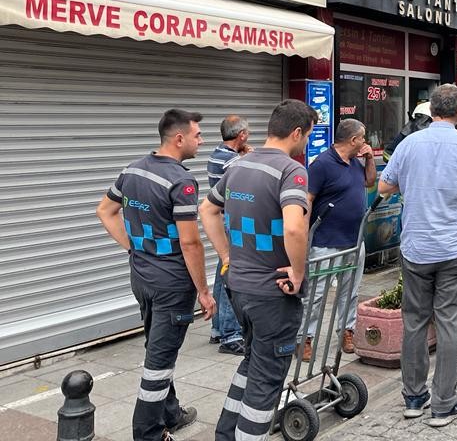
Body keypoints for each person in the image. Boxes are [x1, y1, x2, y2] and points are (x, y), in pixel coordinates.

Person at [199, 99, 318, 441]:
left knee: (252, 363)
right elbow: (294, 227)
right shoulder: (291, 171)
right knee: (267, 379)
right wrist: (298, 274)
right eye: (308, 135)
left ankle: (226, 435)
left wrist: (226, 256)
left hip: (239, 288)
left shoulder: (239, 165)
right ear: (296, 132)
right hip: (272, 293)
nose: (306, 142)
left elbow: (207, 209)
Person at [377, 84, 457, 427]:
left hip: (417, 247)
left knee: (414, 321)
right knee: (448, 322)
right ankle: (444, 404)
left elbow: (384, 186)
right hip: (454, 247)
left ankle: (414, 398)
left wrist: (412, 183)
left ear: (431, 111)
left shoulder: (409, 144)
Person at [96, 109, 215, 441]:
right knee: (159, 360)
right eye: (197, 135)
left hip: (142, 277)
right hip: (171, 284)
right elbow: (190, 242)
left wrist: (136, 248)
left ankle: (170, 413)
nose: (201, 140)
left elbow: (105, 211)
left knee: (158, 346)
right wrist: (204, 291)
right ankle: (148, 433)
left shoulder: (132, 169)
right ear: (179, 138)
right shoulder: (181, 182)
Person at [302, 118, 377, 360]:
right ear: (353, 140)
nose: (365, 142)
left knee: (350, 291)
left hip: (354, 240)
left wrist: (369, 159)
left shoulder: (355, 161)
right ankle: (304, 338)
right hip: (325, 242)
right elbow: (308, 199)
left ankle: (347, 331)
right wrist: (303, 235)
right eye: (362, 138)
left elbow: (370, 181)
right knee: (316, 295)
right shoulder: (322, 164)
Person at [206, 115, 251, 356]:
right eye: (247, 132)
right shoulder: (233, 161)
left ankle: (217, 328)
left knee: (221, 272)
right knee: (231, 276)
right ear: (241, 135)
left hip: (220, 220)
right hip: (230, 222)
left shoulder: (217, 155)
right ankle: (230, 335)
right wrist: (248, 156)